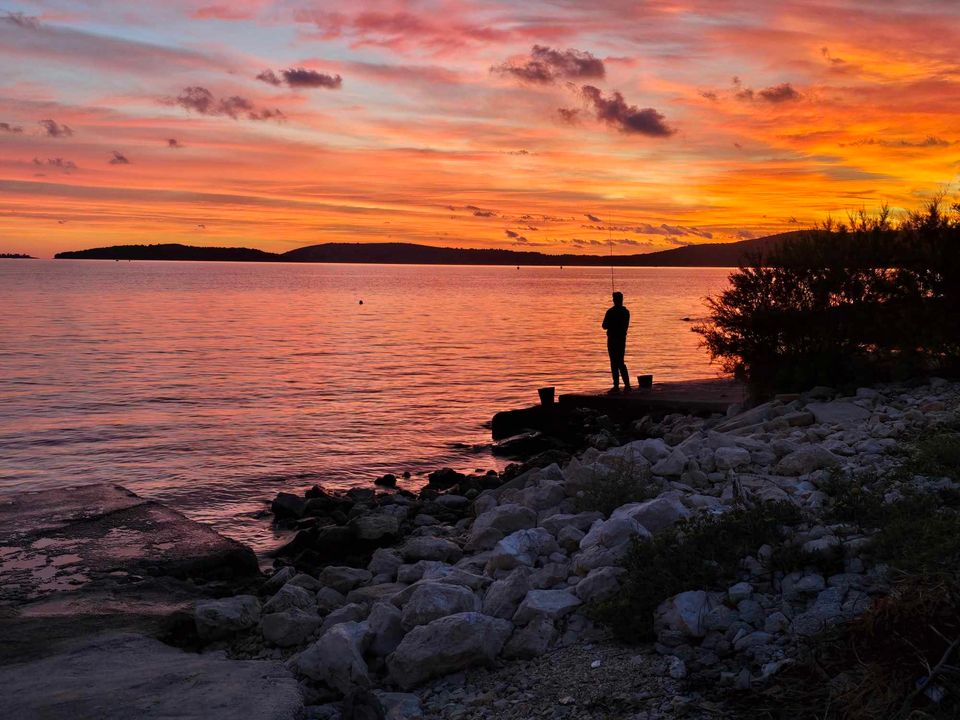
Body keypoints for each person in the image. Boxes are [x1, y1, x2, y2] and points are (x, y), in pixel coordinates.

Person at [602, 291, 631, 393]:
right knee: (620, 362)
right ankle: (627, 385)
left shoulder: (610, 312)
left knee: (614, 363)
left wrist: (612, 324)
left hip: (612, 340)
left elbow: (604, 326)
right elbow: (625, 326)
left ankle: (616, 386)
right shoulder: (626, 312)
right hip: (621, 340)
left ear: (614, 300)